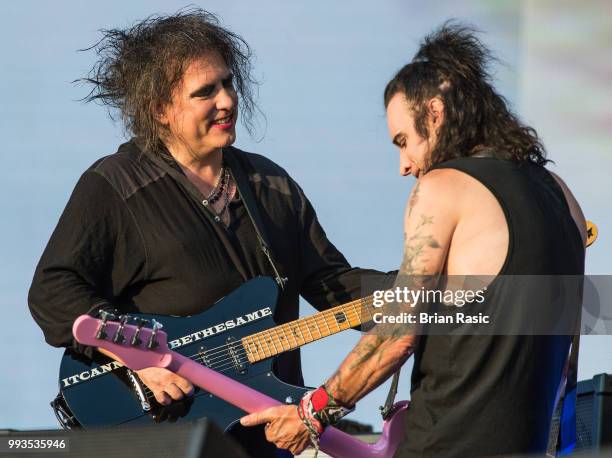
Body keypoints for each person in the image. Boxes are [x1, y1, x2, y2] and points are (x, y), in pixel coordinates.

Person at [27, 9, 386, 457]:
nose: (227, 101)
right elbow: (53, 291)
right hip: (169, 432)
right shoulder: (116, 185)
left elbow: (334, 285)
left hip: (267, 434)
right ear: (160, 108)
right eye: (206, 92)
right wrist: (138, 361)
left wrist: (428, 289)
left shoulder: (269, 184)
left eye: (228, 83)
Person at [240, 22, 586, 456]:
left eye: (404, 141)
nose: (403, 165)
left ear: (436, 113)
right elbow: (566, 359)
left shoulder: (443, 187)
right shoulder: (561, 194)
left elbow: (399, 333)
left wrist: (312, 413)